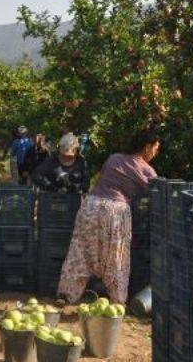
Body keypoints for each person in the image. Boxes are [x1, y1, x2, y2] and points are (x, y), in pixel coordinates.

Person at [57, 129, 160, 304]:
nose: (155, 153)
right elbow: (153, 194)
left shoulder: (114, 158)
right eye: (155, 148)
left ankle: (66, 296)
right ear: (146, 147)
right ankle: (117, 302)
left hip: (90, 206)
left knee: (80, 251)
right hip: (115, 212)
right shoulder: (148, 171)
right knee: (115, 259)